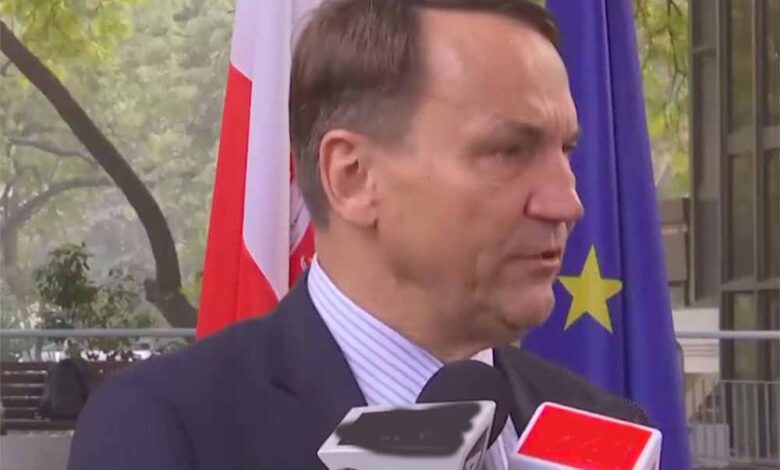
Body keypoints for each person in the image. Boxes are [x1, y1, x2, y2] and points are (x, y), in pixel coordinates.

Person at [67, 1, 649, 469]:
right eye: (508, 151)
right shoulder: (168, 429)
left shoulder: (600, 425)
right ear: (353, 177)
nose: (566, 202)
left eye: (565, 151)